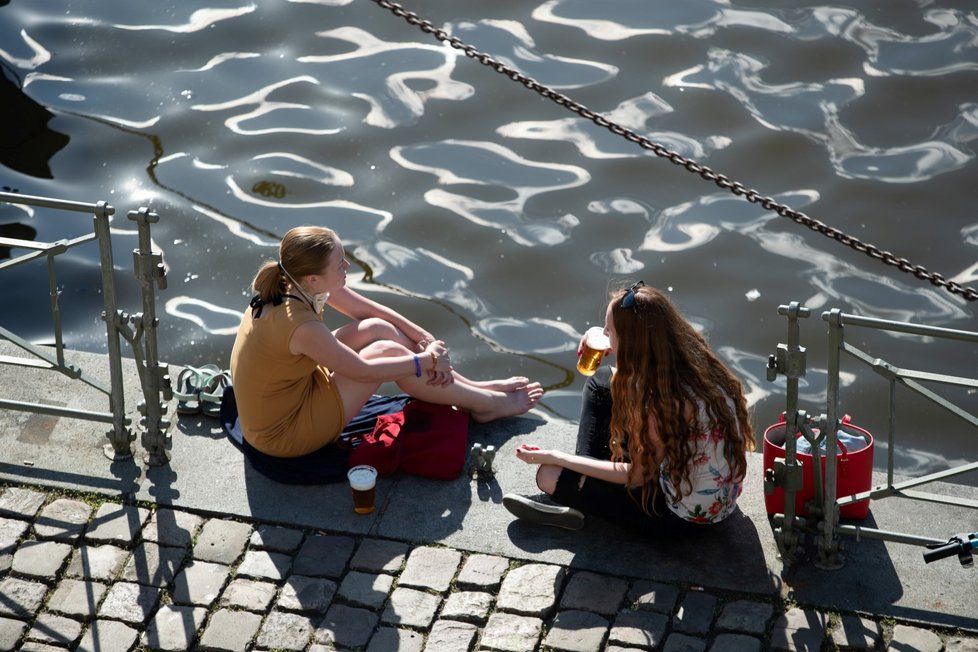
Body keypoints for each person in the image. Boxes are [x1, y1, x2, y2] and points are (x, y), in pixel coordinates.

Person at [230, 226, 543, 459]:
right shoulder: (300, 325)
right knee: (389, 352)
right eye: (340, 263)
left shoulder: (294, 281)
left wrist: (422, 336)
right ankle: (486, 405)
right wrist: (427, 360)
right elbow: (364, 371)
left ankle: (474, 391)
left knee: (377, 328)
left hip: (294, 392)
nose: (347, 266)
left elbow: (365, 311)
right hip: (284, 433)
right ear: (314, 279)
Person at [502, 281, 753, 536]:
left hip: (679, 519)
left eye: (609, 331)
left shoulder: (657, 400)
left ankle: (576, 495)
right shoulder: (689, 360)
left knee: (549, 474)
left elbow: (637, 476)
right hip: (719, 502)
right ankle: (584, 478)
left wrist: (558, 457)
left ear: (631, 343)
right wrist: (600, 333)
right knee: (601, 382)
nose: (604, 335)